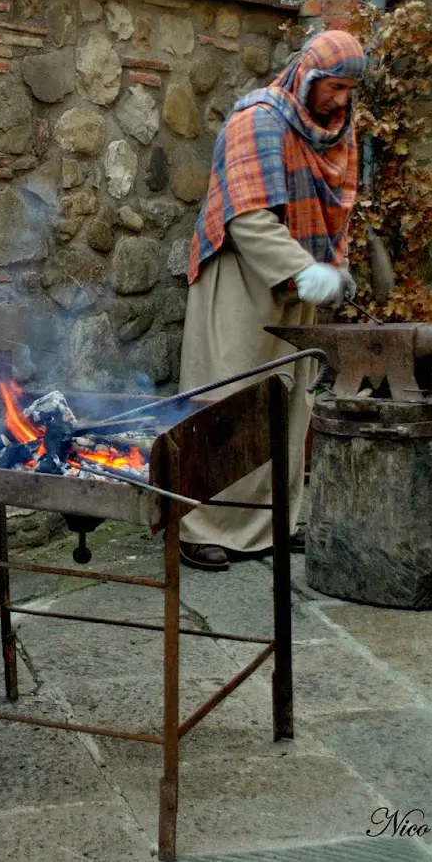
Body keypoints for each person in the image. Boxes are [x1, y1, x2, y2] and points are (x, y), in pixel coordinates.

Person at [178, 30, 368, 571]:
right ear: (307, 77)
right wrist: (305, 274)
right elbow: (248, 219)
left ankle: (272, 523)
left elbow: (334, 211)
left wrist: (333, 270)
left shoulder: (334, 133)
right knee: (228, 401)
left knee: (289, 402)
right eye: (334, 87)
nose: (340, 101)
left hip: (296, 283)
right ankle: (201, 525)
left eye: (349, 90)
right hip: (242, 283)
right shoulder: (257, 121)